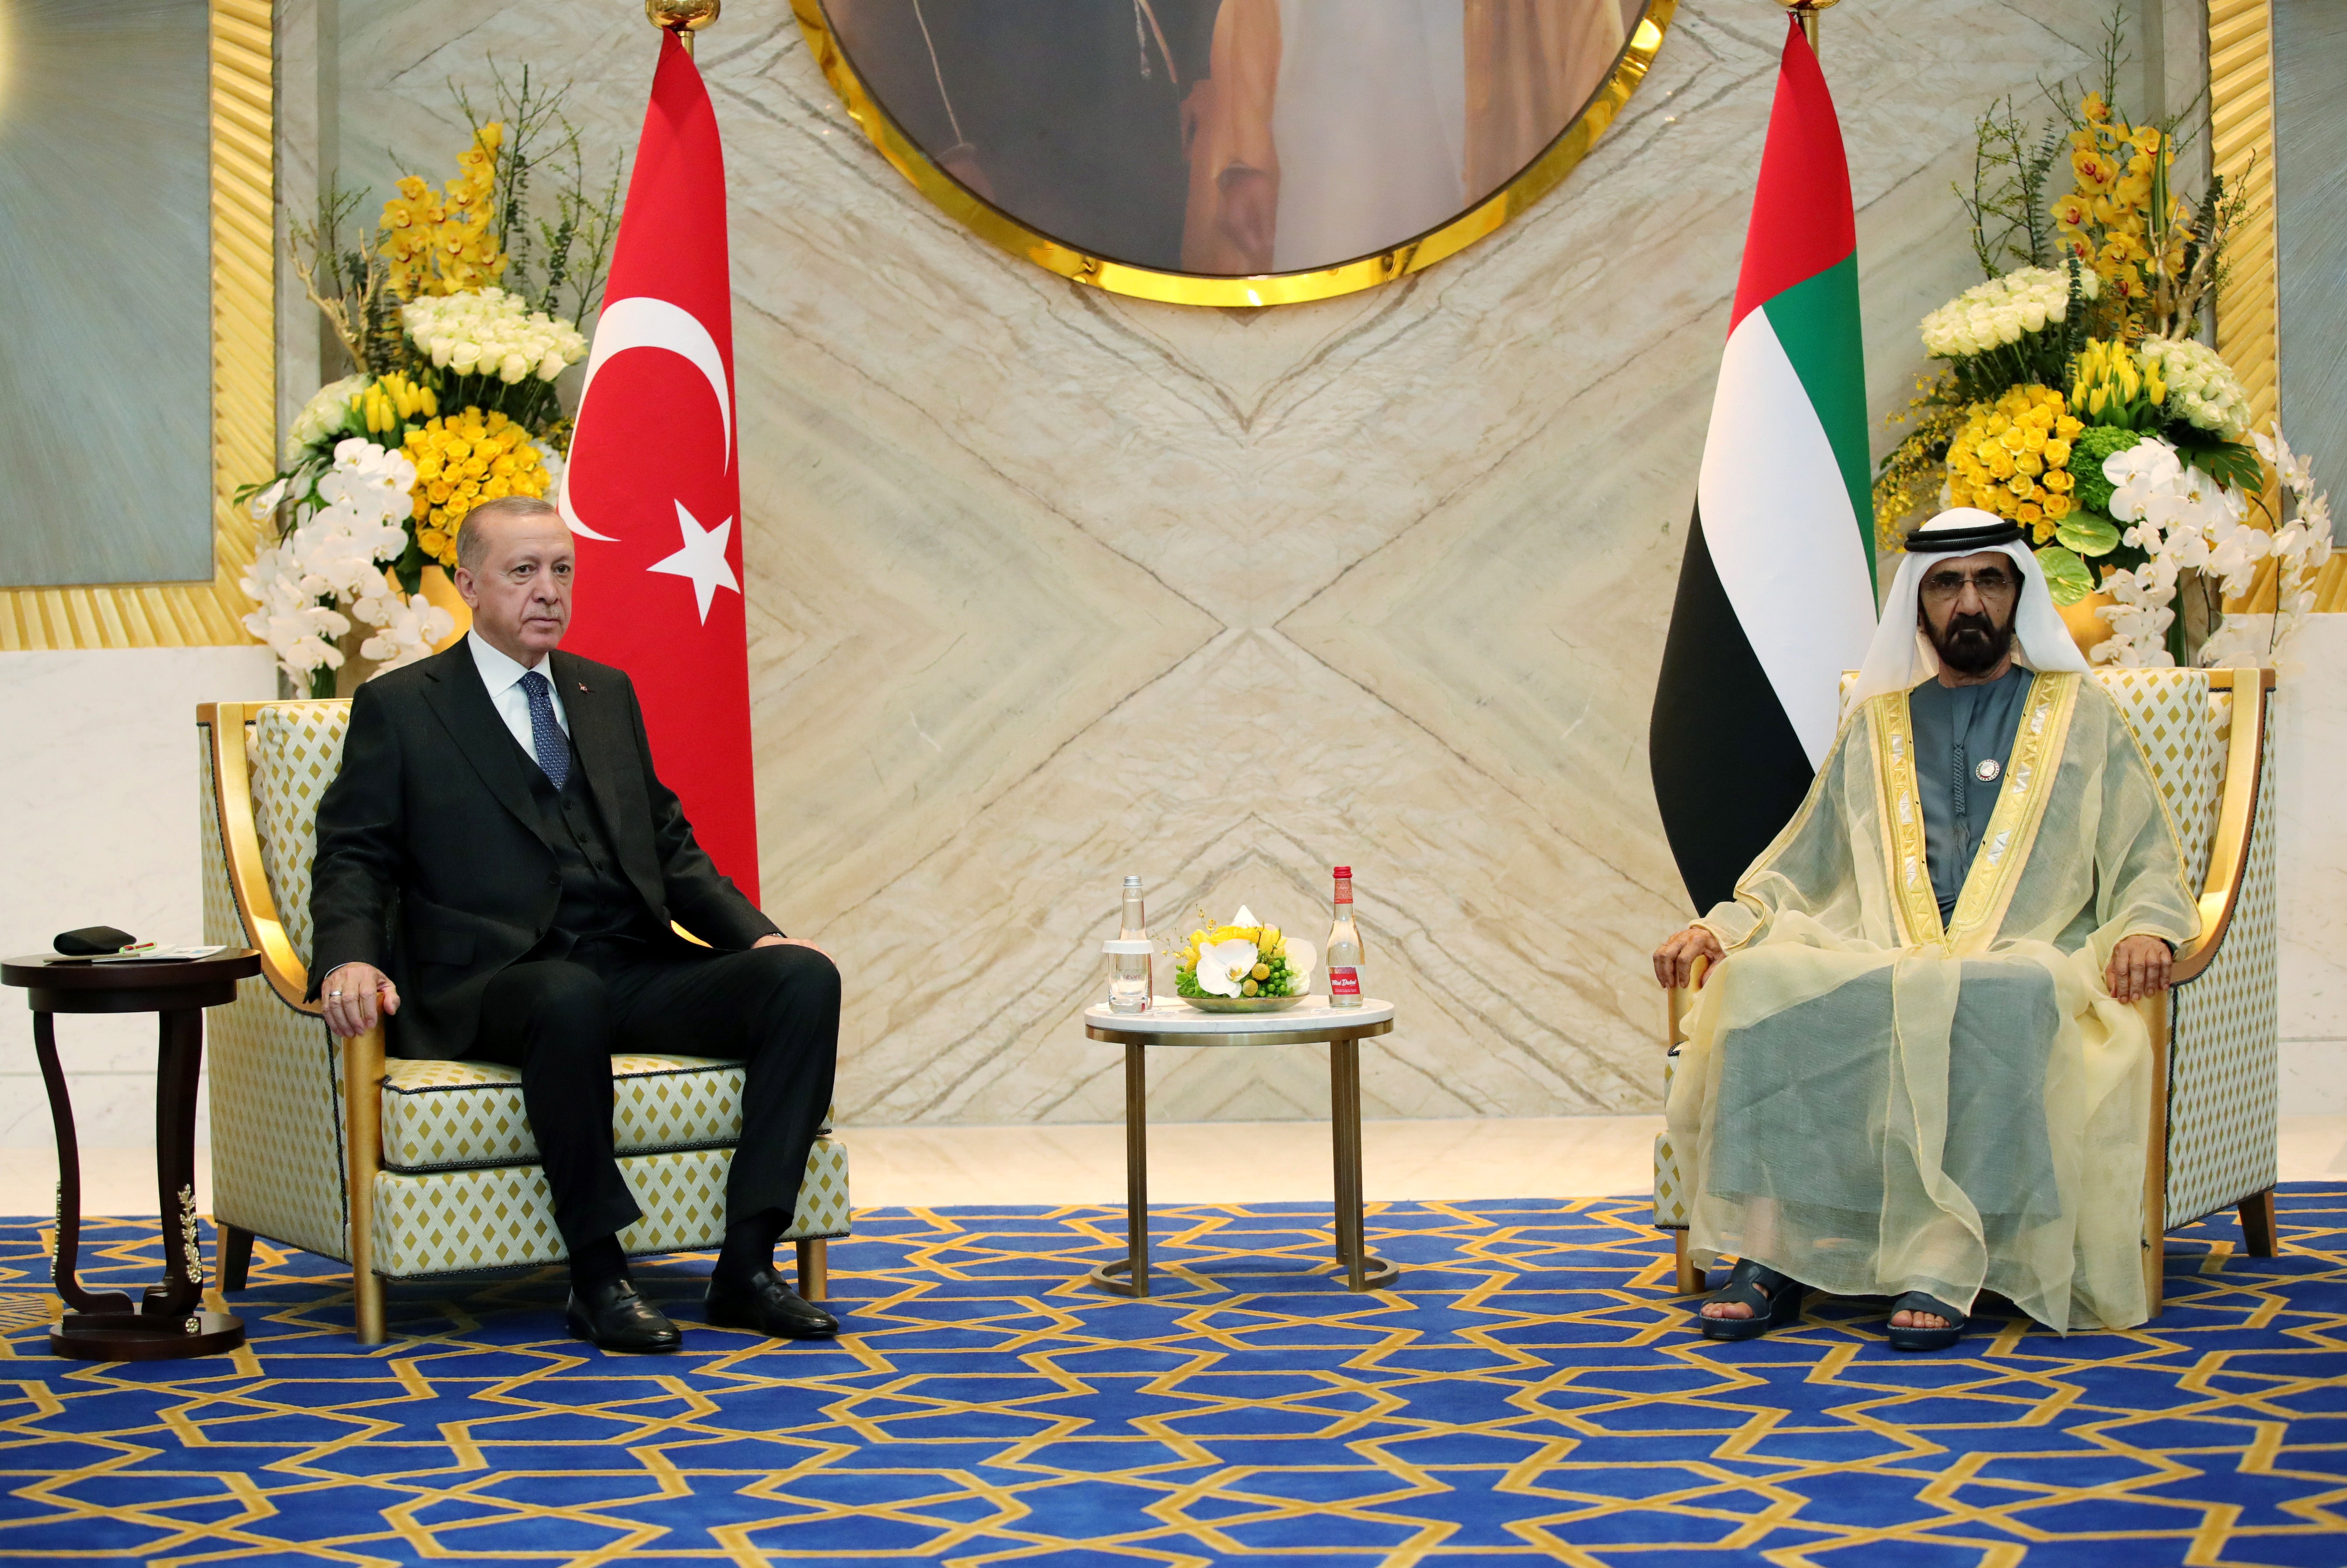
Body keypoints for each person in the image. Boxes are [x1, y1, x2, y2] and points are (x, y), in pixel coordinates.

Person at [1650, 507, 2199, 1350]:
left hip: (2026, 955)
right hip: (1888, 947)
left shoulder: (2080, 716)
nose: (1968, 602)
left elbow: (2146, 859)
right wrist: (1722, 928)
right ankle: (1773, 1255)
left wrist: (2148, 929)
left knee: (2006, 990)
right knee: (1762, 979)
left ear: (2019, 594)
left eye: (1989, 580)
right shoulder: (1878, 726)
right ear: (1919, 603)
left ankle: (1948, 1259)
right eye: (1947, 584)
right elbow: (1799, 866)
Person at [308, 496, 842, 1353]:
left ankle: (745, 1264)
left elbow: (667, 842)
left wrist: (757, 935)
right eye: (523, 572)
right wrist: (347, 958)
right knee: (565, 994)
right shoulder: (404, 706)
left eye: (561, 570)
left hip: (626, 961)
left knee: (803, 977)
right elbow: (353, 854)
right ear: (468, 583)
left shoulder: (604, 691)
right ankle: (598, 1278)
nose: (547, 591)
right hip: (497, 978)